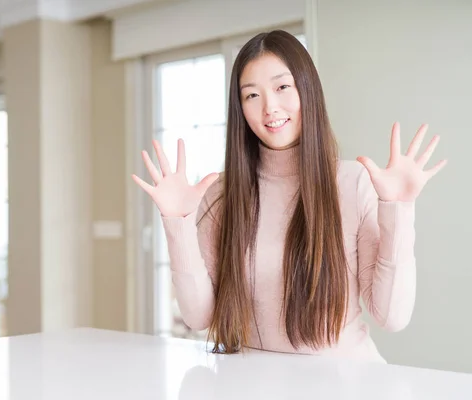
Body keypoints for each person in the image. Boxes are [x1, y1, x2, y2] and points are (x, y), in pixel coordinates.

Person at [131, 30, 447, 362]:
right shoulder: (222, 194)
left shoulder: (353, 182)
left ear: (308, 90)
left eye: (282, 87)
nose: (270, 107)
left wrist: (398, 209)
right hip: (253, 382)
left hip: (348, 383)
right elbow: (198, 317)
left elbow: (391, 317)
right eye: (251, 95)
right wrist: (178, 223)